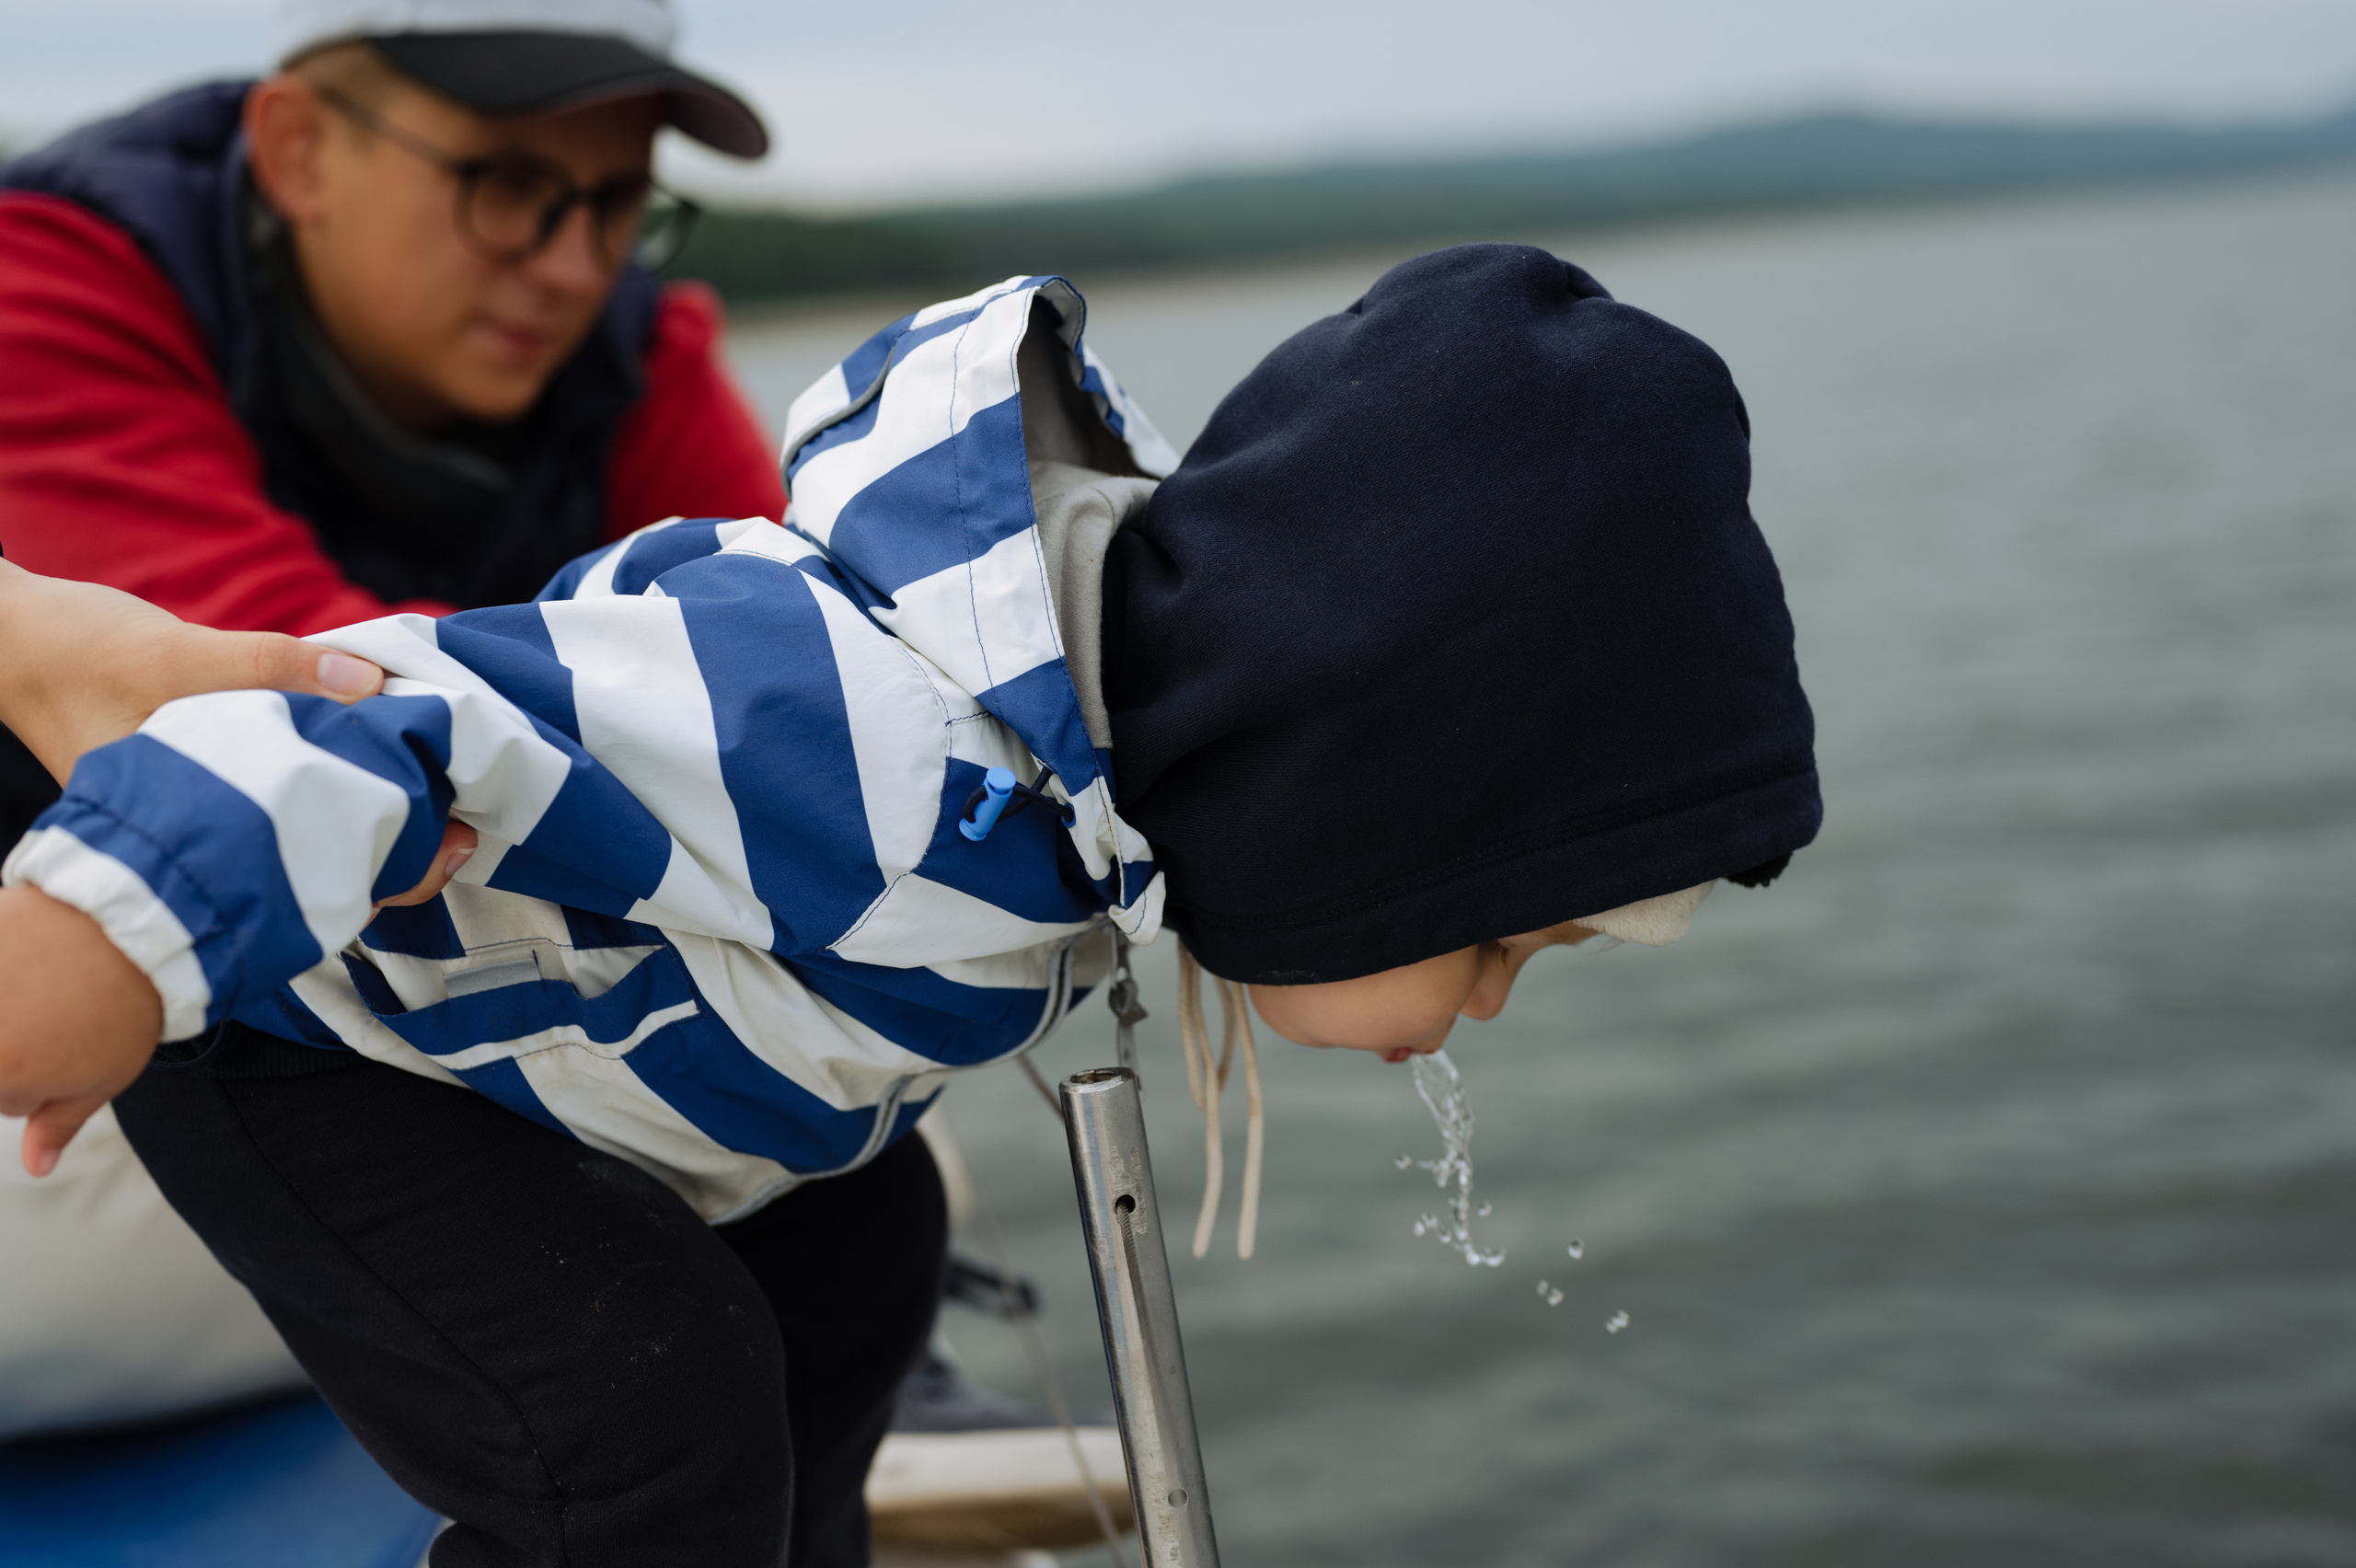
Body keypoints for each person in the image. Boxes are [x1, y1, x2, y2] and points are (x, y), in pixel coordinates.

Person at [0, 243, 1820, 1566]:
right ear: (1387, 792)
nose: (1487, 1002)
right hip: (290, 1020)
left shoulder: (1096, 783)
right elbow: (375, 729)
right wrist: (107, 942)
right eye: (1514, 933)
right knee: (643, 1417)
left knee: (858, 1246)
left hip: (527, 1061)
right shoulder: (846, 729)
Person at [0, 0, 785, 851]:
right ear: (300, 152)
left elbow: (791, 651)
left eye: (618, 199)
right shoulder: (45, 294)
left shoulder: (637, 343)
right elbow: (310, 684)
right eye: (508, 184)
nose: (575, 268)